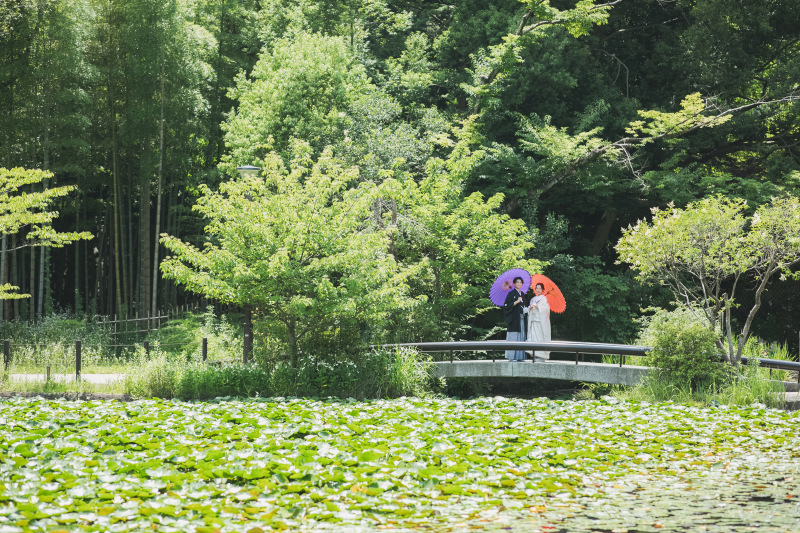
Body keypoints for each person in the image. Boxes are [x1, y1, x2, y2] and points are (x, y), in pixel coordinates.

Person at [503, 277, 527, 361]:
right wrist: (516, 301)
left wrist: (525, 309)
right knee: (514, 336)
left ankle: (520, 357)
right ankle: (512, 357)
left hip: (521, 318)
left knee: (521, 336)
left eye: (520, 282)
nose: (519, 284)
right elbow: (506, 306)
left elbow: (523, 306)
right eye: (517, 282)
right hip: (513, 319)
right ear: (514, 284)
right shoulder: (511, 294)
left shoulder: (523, 294)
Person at [527, 282, 551, 362]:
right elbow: (529, 309)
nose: (538, 290)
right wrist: (530, 308)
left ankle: (540, 356)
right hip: (533, 321)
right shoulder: (533, 299)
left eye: (540, 288)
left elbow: (546, 309)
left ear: (543, 290)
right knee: (532, 338)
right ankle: (534, 355)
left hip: (540, 322)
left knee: (539, 339)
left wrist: (538, 307)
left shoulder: (544, 298)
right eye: (537, 288)